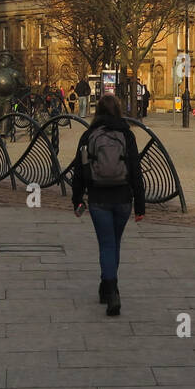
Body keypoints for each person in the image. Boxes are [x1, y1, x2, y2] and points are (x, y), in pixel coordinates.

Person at [71, 94, 145, 318]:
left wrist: (77, 199)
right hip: (123, 197)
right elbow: (135, 169)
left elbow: (79, 170)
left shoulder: (89, 135)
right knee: (114, 243)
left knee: (106, 244)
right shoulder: (126, 134)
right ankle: (108, 286)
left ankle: (111, 290)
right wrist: (140, 204)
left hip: (98, 197)